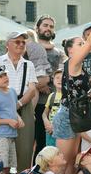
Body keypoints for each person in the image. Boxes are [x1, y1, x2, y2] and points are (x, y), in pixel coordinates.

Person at [53, 10, 91, 174]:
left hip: (77, 115)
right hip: (67, 116)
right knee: (60, 163)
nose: (84, 44)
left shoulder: (77, 64)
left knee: (72, 162)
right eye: (80, 43)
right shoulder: (72, 62)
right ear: (70, 50)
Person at [0, 31, 37, 172]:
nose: (21, 44)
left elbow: (32, 89)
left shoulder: (29, 64)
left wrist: (19, 104)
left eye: (23, 42)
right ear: (8, 44)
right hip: (2, 107)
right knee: (2, 156)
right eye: (17, 41)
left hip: (24, 106)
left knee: (25, 151)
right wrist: (10, 106)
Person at [26, 14, 66, 163]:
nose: (48, 29)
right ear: (37, 28)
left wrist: (47, 81)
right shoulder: (29, 48)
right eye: (45, 25)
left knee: (51, 144)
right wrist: (38, 84)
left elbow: (62, 72)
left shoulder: (59, 53)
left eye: (51, 26)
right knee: (35, 142)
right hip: (35, 103)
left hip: (54, 103)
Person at [43, 69, 62, 148]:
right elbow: (44, 113)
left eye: (62, 77)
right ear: (53, 80)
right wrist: (46, 122)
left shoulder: (69, 96)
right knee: (51, 154)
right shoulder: (51, 96)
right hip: (50, 131)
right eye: (57, 77)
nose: (60, 80)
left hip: (62, 131)